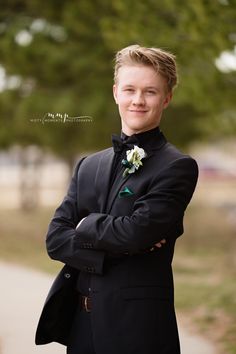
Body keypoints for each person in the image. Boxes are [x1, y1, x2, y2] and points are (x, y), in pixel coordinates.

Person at [35, 44, 198, 354]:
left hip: (138, 328)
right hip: (80, 326)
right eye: (130, 89)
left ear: (167, 98)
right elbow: (55, 238)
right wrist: (120, 242)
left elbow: (136, 233)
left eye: (150, 92)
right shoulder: (88, 165)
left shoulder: (177, 167)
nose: (138, 100)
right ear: (115, 93)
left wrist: (83, 226)